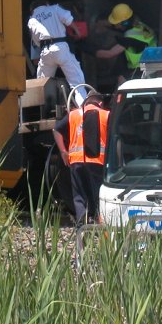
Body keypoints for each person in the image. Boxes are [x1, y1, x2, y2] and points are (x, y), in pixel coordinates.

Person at [52, 91, 109, 226]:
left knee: (79, 197)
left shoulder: (74, 114)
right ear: (100, 103)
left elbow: (56, 130)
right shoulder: (106, 115)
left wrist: (63, 152)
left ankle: (81, 228)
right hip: (97, 162)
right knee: (98, 196)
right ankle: (100, 226)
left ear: (86, 101)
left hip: (76, 162)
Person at [27, 0, 86, 104]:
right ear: (46, 3)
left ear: (33, 9)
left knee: (41, 83)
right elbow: (68, 19)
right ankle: (84, 109)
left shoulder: (32, 19)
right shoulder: (54, 9)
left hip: (45, 52)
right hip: (60, 47)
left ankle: (41, 111)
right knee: (77, 84)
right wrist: (77, 31)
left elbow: (36, 42)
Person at [89, 3, 157, 85]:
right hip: (150, 62)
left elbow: (108, 54)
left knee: (122, 83)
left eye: (117, 23)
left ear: (125, 23)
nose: (116, 26)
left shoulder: (131, 36)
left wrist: (84, 47)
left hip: (143, 69)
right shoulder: (139, 25)